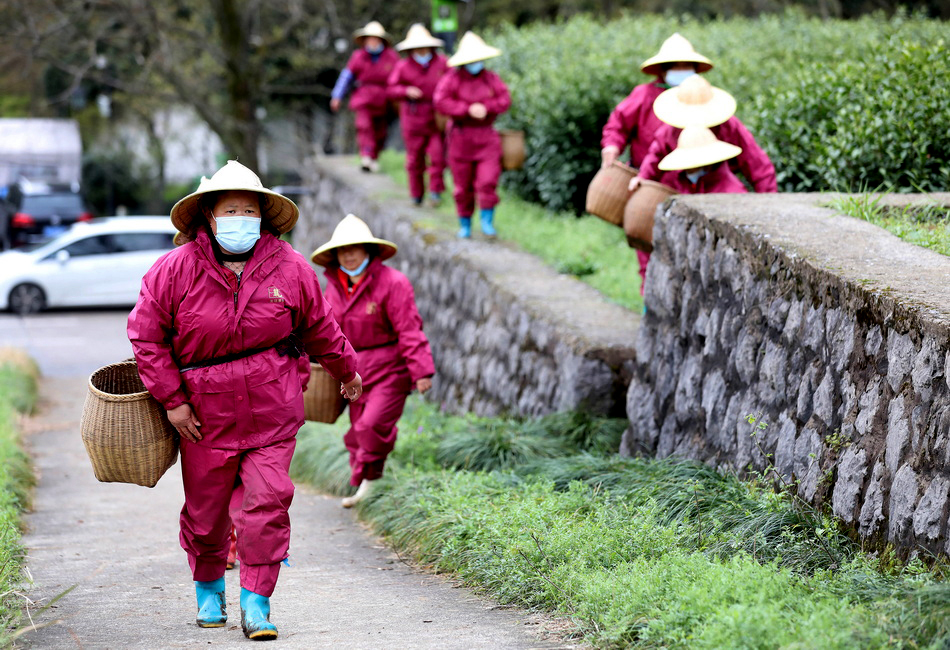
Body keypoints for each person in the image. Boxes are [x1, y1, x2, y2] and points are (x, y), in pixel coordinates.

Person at [128, 160, 363, 641]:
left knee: (268, 502)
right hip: (202, 419)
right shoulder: (173, 271)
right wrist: (173, 401)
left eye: (249, 209)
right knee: (206, 513)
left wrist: (347, 369)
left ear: (263, 216)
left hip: (271, 412)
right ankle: (209, 589)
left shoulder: (291, 268)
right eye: (230, 209)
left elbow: (321, 328)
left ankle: (257, 601)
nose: (241, 218)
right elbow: (146, 338)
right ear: (209, 217)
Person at [311, 214, 435, 508]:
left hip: (390, 369)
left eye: (356, 248)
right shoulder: (334, 287)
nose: (350, 255)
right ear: (336, 254)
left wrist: (422, 370)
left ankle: (370, 482)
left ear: (369, 251)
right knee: (357, 431)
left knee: (371, 425)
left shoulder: (394, 283)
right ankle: (369, 486)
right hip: (352, 373)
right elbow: (324, 330)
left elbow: (409, 329)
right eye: (343, 249)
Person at [600, 33, 713, 294]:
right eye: (676, 66)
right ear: (664, 69)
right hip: (648, 184)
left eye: (687, 66)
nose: (681, 72)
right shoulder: (644, 95)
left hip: (689, 184)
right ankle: (649, 308)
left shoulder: (702, 101)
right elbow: (617, 124)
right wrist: (611, 145)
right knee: (646, 247)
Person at [434, 31, 511, 239]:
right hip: (460, 137)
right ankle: (465, 223)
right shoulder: (452, 79)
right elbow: (440, 101)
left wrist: (487, 107)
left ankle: (487, 222)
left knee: (488, 181)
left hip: (487, 137)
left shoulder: (491, 79)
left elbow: (505, 99)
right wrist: (467, 109)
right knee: (462, 186)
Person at [387, 24, 449, 208]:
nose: (422, 50)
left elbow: (452, 82)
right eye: (418, 47)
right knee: (415, 159)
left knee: (437, 156)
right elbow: (391, 89)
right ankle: (416, 194)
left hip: (436, 117)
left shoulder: (443, 63)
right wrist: (406, 91)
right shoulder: (403, 66)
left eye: (424, 46)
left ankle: (436, 192)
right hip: (413, 119)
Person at [330, 21, 400, 173]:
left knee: (380, 133)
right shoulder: (358, 56)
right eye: (370, 38)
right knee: (364, 127)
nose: (373, 41)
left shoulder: (392, 57)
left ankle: (374, 157)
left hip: (384, 101)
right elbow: (346, 77)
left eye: (376, 38)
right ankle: (366, 156)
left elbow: (399, 78)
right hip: (363, 99)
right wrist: (337, 96)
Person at [655, 125, 747, 194]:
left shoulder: (732, 191)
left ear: (707, 165)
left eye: (690, 166)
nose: (686, 170)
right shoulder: (683, 183)